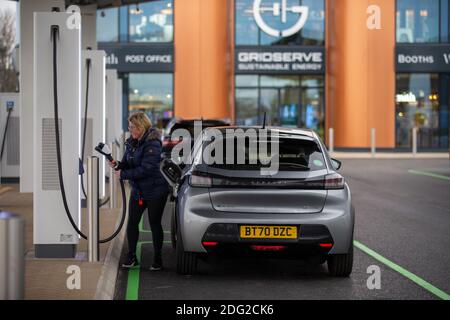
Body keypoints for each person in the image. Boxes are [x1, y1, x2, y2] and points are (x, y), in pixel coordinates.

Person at [109, 112, 169, 271]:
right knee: (132, 223)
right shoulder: (132, 142)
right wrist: (119, 165)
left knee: (154, 223)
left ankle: (158, 258)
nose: (129, 130)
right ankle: (131, 256)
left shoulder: (153, 143)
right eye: (129, 127)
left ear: (140, 127)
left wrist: (124, 174)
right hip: (138, 191)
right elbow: (128, 162)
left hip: (156, 190)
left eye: (131, 127)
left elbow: (147, 168)